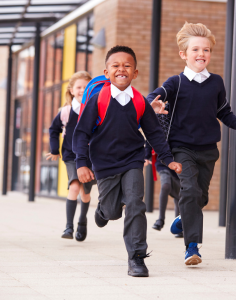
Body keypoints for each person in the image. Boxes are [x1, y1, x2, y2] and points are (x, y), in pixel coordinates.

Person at [147, 22, 236, 266]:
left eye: (206, 50)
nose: (201, 54)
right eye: (195, 50)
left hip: (208, 150)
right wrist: (153, 104)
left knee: (200, 197)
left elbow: (224, 112)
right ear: (184, 54)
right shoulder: (176, 83)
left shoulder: (216, 82)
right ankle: (192, 247)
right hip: (181, 148)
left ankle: (183, 220)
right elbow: (154, 96)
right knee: (191, 192)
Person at [73, 45, 182, 277]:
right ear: (106, 72)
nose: (121, 69)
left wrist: (168, 159)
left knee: (135, 203)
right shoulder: (98, 98)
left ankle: (137, 258)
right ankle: (103, 210)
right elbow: (81, 133)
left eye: (127, 65)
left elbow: (154, 133)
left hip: (133, 160)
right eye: (115, 65)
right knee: (113, 211)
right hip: (104, 163)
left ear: (135, 73)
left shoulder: (140, 101)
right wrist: (82, 163)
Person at [47, 71, 95, 242]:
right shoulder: (66, 111)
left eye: (86, 87)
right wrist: (54, 150)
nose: (82, 90)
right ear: (72, 90)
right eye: (79, 87)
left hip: (91, 156)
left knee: (86, 192)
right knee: (74, 185)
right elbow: (54, 130)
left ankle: (82, 220)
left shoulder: (95, 108)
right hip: (71, 155)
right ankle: (69, 226)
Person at [145, 143, 182, 237]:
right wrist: (146, 156)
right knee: (166, 185)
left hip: (179, 161)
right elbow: (151, 137)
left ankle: (178, 226)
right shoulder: (158, 127)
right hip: (162, 161)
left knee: (179, 194)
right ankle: (160, 220)